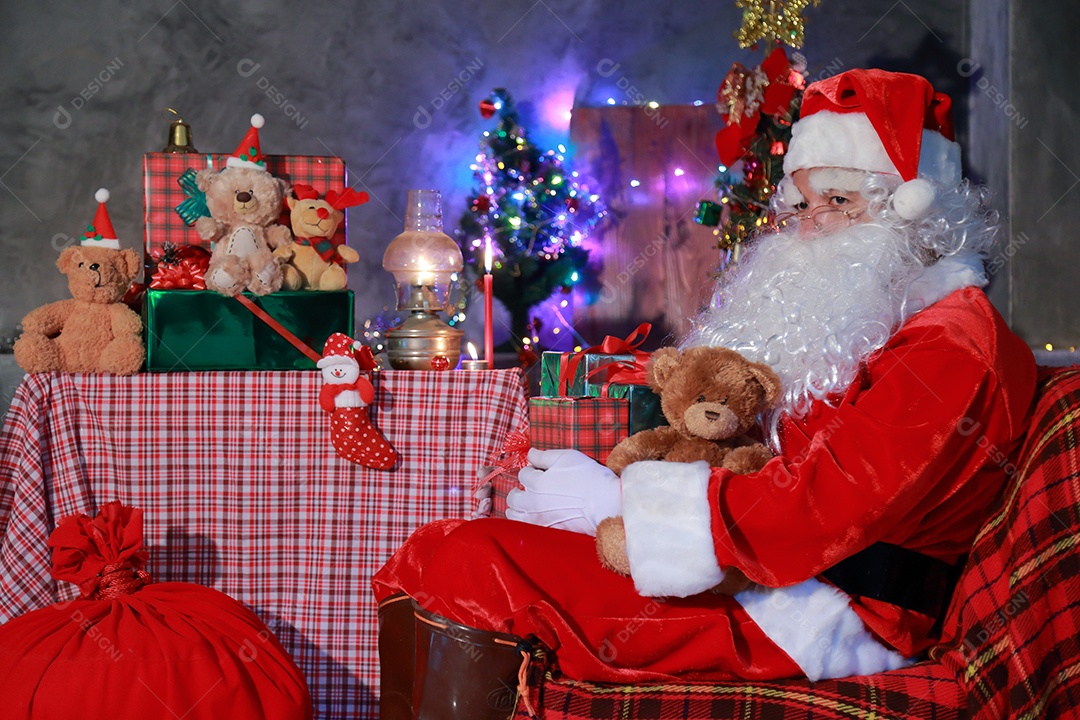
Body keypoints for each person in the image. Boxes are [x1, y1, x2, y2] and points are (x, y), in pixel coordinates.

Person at [372, 69, 1037, 720]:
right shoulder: (886, 323)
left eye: (840, 201)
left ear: (915, 210)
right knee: (453, 550)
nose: (812, 227)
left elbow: (824, 508)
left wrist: (625, 505)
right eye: (802, 205)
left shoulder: (950, 346)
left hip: (826, 613)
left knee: (464, 561)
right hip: (763, 574)